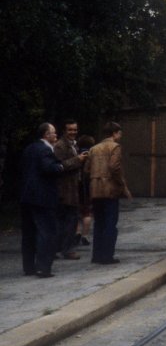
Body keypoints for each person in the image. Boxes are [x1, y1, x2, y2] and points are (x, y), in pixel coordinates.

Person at [20, 122, 85, 277]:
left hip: (27, 196)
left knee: (29, 233)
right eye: (53, 133)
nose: (56, 136)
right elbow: (49, 168)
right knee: (47, 232)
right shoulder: (45, 150)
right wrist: (61, 167)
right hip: (43, 197)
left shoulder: (30, 148)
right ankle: (43, 267)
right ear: (46, 135)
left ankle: (28, 267)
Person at [88, 121, 131, 265]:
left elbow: (87, 169)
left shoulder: (94, 148)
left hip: (95, 189)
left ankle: (97, 255)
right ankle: (107, 255)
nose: (120, 135)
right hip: (110, 189)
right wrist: (122, 185)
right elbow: (114, 167)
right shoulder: (115, 147)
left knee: (99, 223)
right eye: (119, 133)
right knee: (110, 224)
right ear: (114, 133)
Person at [53, 119, 83, 260]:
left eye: (75, 129)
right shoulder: (60, 146)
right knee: (68, 220)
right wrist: (78, 160)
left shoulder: (73, 145)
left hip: (73, 188)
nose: (73, 132)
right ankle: (66, 249)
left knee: (70, 219)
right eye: (70, 130)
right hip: (65, 189)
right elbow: (59, 166)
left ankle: (61, 248)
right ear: (64, 131)